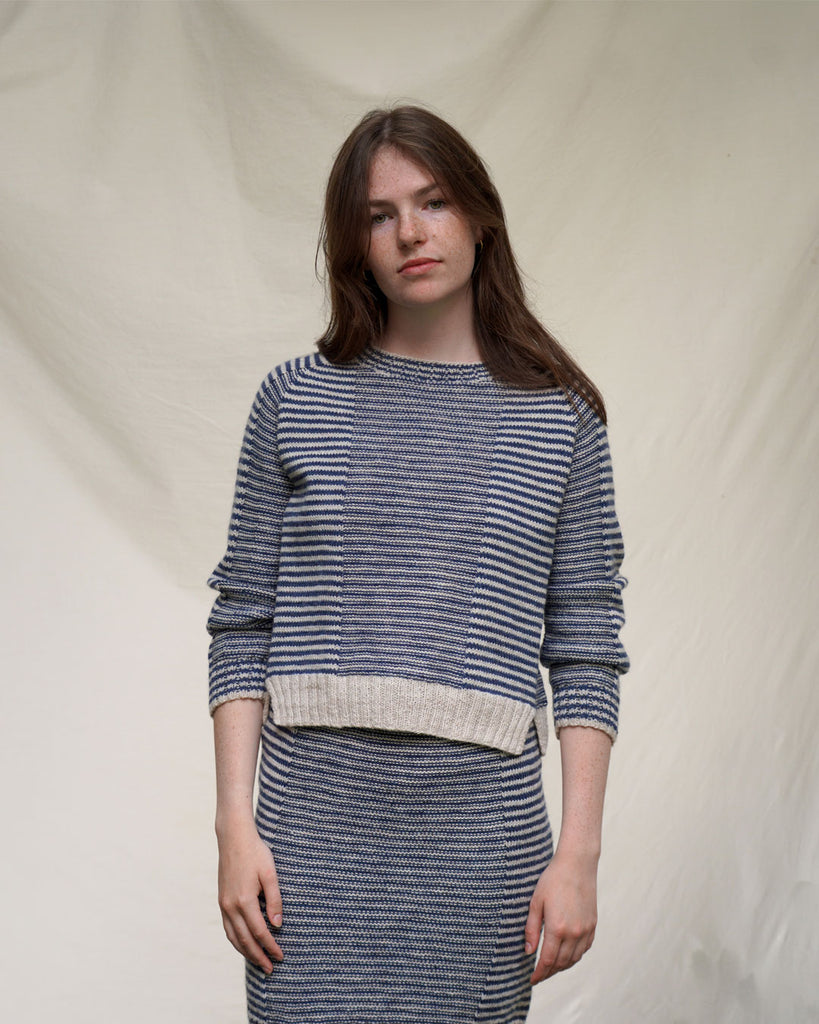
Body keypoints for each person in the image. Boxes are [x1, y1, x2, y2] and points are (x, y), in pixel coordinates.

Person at [207, 105, 629, 1024]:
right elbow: (242, 621)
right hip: (309, 838)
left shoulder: (561, 420)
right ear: (352, 243)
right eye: (378, 214)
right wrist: (233, 826)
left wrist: (579, 853)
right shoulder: (294, 400)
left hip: (481, 842)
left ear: (479, 216)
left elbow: (586, 644)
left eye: (433, 202)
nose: (410, 232)